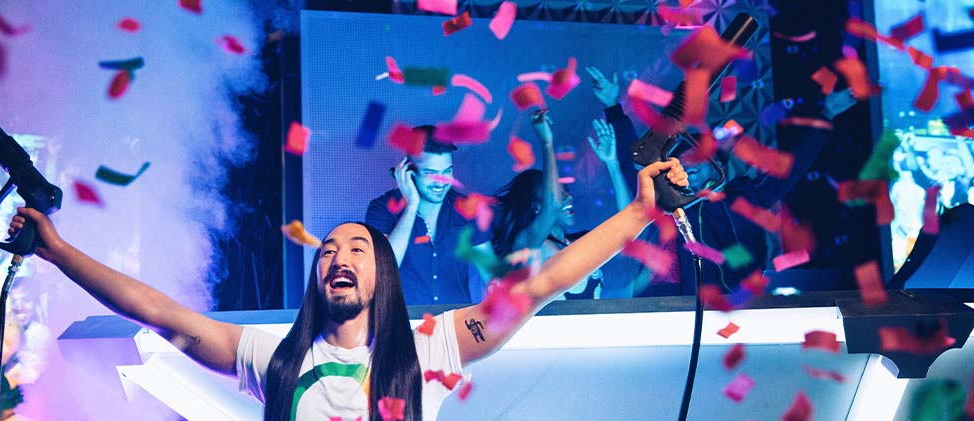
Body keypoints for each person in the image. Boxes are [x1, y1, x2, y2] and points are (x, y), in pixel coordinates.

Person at [9, 158, 688, 421]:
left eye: (358, 248)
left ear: (382, 273)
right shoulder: (273, 358)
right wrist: (59, 250)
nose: (338, 257)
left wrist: (639, 212)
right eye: (327, 250)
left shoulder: (435, 349)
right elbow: (158, 312)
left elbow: (541, 283)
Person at [584, 65, 858, 293]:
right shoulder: (670, 201)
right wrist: (613, 108)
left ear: (716, 167)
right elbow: (640, 160)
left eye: (697, 160)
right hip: (674, 308)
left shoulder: (744, 198)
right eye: (681, 161)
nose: (688, 166)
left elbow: (790, 168)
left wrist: (827, 115)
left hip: (737, 309)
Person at [492, 111, 633, 299]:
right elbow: (552, 205)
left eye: (566, 190)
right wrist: (547, 142)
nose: (567, 197)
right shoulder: (528, 244)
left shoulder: (580, 243)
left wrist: (612, 163)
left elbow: (628, 226)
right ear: (535, 205)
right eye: (558, 191)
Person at [365, 125, 494, 305]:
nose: (440, 182)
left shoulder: (468, 209)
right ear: (408, 172)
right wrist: (411, 206)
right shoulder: (382, 209)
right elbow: (383, 270)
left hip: (456, 325)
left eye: (447, 171)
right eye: (430, 173)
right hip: (403, 323)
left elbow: (491, 274)